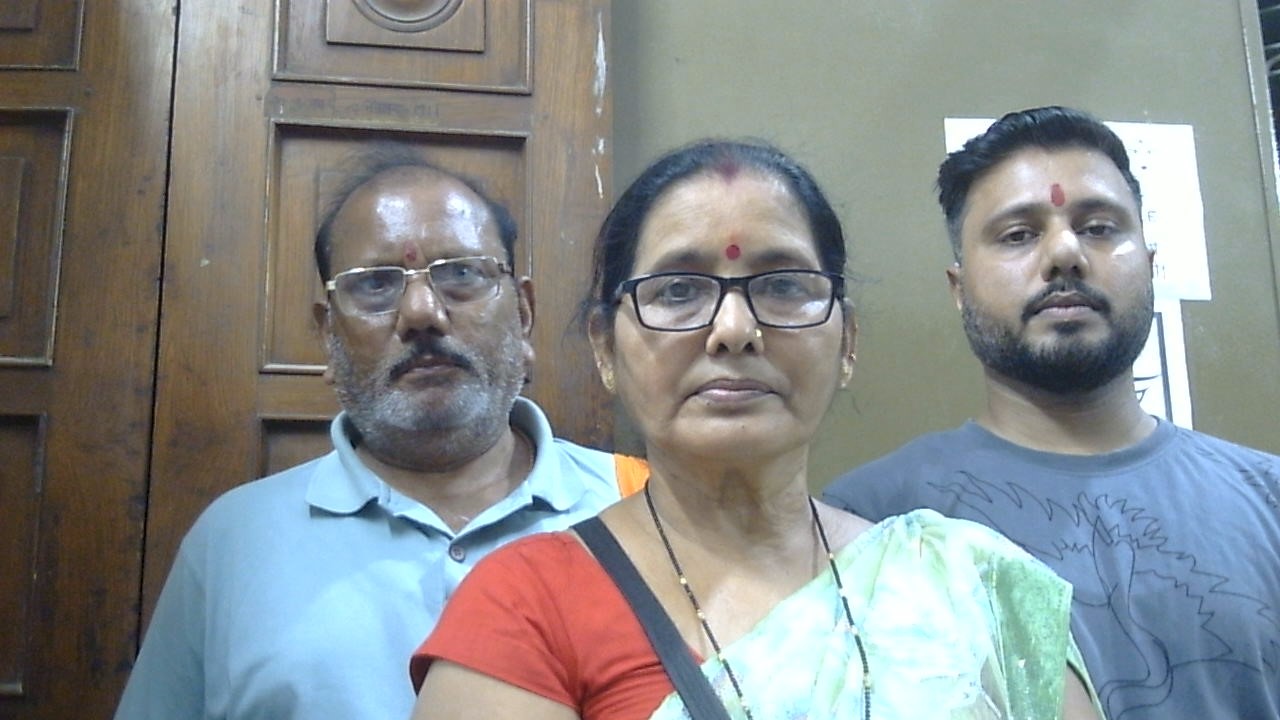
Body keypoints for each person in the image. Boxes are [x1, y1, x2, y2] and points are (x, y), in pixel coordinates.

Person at [408, 139, 1102, 719]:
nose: (734, 329)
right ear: (605, 349)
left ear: (847, 341)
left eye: (783, 286)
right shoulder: (526, 607)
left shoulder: (965, 585)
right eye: (678, 291)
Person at [114, 145, 645, 719]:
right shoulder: (232, 541)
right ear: (328, 334)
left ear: (523, 314)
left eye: (462, 274)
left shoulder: (640, 507)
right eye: (374, 285)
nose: (421, 313)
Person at [823, 105, 1280, 720]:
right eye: (1018, 235)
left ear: (1149, 265)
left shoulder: (1269, 500)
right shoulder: (869, 523)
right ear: (959, 289)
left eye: (1099, 227)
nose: (1065, 252)